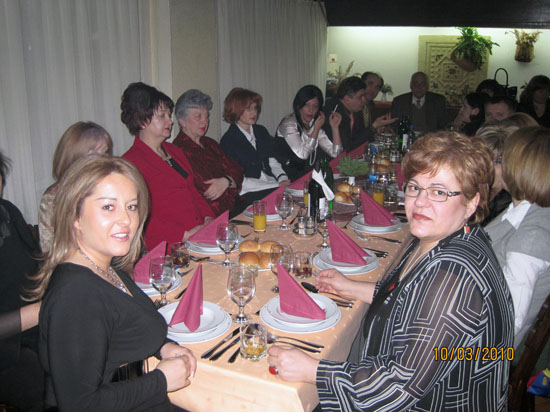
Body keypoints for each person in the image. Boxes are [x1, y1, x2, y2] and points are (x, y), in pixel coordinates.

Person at [268, 132, 513, 411]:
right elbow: (410, 298)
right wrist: (352, 287)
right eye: (415, 187)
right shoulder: (441, 238)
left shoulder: (456, 279)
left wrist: (313, 370)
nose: (420, 202)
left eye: (439, 192)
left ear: (471, 202)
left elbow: (398, 387)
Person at [33, 155, 196, 411]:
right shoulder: (76, 295)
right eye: (109, 207)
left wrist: (164, 347)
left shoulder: (107, 267)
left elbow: (124, 332)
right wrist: (161, 381)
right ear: (75, 216)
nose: (126, 220)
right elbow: (80, 405)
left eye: (131, 206)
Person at [121, 82, 214, 250]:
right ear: (142, 120)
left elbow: (193, 190)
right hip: (169, 245)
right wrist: (184, 235)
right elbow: (141, 217)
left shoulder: (174, 151)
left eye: (169, 115)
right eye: (162, 116)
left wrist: (208, 217)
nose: (170, 121)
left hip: (198, 236)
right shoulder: (130, 163)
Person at [486, 126, 550, 348]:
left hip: (483, 352)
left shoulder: (531, 237)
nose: (497, 165)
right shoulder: (523, 209)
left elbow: (507, 325)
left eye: (502, 159)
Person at [0, 151, 44, 412]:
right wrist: (43, 310)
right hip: (6, 351)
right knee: (41, 383)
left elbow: (38, 266)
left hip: (34, 328)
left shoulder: (7, 212)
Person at [38, 121, 113, 254]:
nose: (103, 160)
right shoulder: (54, 197)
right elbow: (51, 250)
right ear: (74, 156)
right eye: (93, 154)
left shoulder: (111, 188)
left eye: (105, 152)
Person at [172, 89, 245, 217]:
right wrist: (230, 181)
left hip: (236, 205)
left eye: (206, 116)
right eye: (198, 116)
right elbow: (207, 190)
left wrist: (226, 181)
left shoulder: (210, 143)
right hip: (214, 215)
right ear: (182, 121)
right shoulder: (178, 151)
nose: (205, 121)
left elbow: (237, 169)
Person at [220, 87, 289, 203]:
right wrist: (275, 186)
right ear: (236, 110)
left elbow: (272, 161)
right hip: (249, 192)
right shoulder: (228, 141)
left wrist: (282, 178)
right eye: (249, 109)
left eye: (255, 108)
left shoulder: (261, 131)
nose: (254, 113)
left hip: (272, 184)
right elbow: (241, 181)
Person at [273, 85, 343, 181]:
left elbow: (336, 153)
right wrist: (316, 129)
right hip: (287, 178)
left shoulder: (312, 124)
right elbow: (303, 154)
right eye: (307, 105)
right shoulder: (289, 124)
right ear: (298, 106)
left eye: (315, 106)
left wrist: (335, 127)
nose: (311, 110)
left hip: (307, 176)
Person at [323, 77, 393, 152]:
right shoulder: (333, 113)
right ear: (347, 99)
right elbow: (347, 147)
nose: (364, 100)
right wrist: (373, 126)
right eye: (360, 97)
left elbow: (360, 136)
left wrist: (376, 129)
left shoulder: (354, 110)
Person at [476, 122, 519, 225]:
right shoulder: (470, 191)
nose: (489, 167)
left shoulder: (512, 203)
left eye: (497, 161)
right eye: (484, 159)